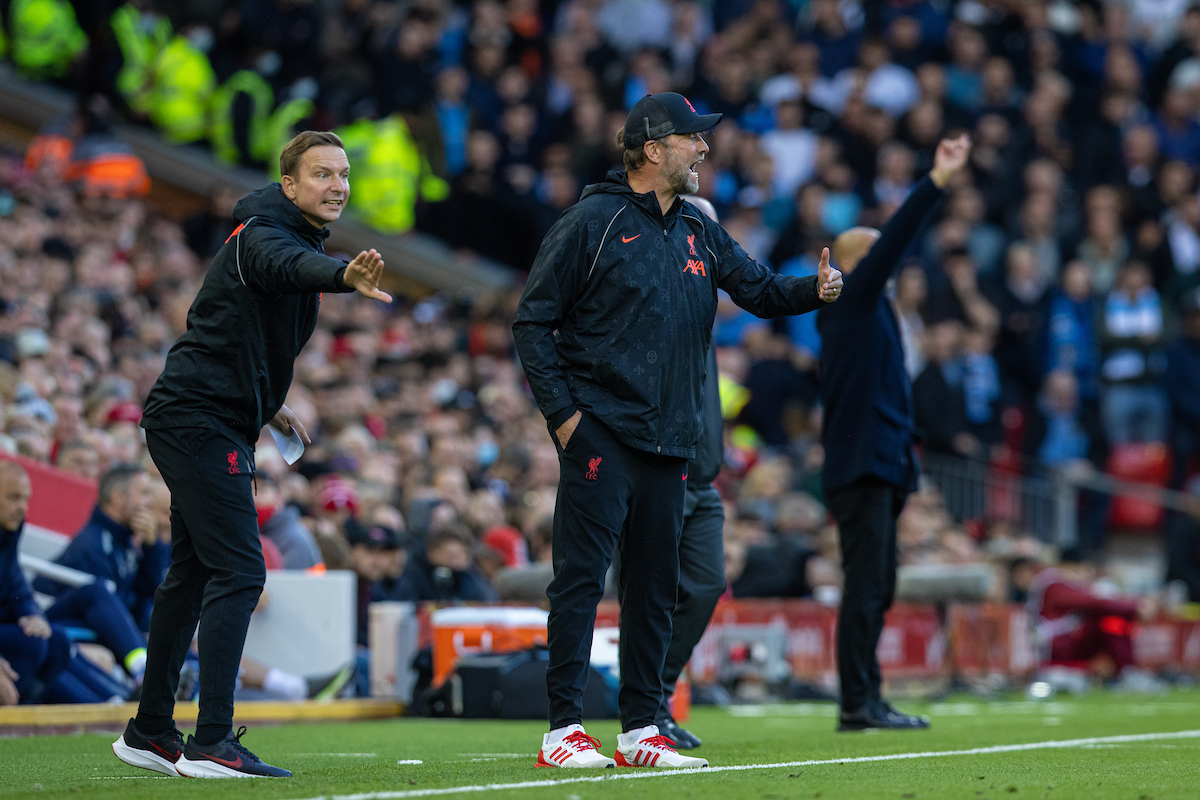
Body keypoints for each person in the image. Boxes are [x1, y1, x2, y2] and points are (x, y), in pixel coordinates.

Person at [513, 92, 841, 769]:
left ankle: (640, 732)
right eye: (694, 139)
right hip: (601, 431)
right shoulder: (590, 222)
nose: (705, 149)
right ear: (653, 148)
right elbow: (531, 323)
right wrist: (566, 420)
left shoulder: (696, 227)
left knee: (654, 590)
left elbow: (756, 289)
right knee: (580, 580)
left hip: (672, 443)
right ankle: (562, 731)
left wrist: (815, 290)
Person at [113, 131, 393, 779]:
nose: (338, 186)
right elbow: (283, 266)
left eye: (343, 175)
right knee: (240, 571)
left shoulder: (285, 235)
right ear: (289, 184)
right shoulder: (266, 233)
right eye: (322, 173)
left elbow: (236, 329)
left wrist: (268, 403)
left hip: (213, 418)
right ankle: (212, 741)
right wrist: (342, 277)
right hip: (198, 421)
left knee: (190, 576)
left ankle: (150, 730)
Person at [817, 133, 970, 732]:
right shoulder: (848, 303)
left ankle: (866, 697)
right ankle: (858, 700)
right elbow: (897, 239)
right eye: (878, 254)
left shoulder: (875, 312)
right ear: (856, 262)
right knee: (866, 585)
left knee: (877, 584)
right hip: (861, 464)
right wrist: (935, 181)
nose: (893, 262)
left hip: (881, 462)